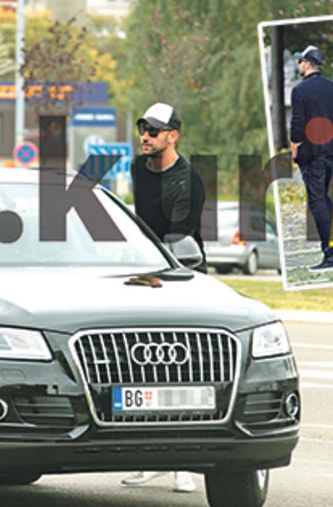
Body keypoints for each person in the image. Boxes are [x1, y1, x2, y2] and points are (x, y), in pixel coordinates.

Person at [121, 101, 204, 495]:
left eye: (154, 130)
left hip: (181, 280)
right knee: (141, 375)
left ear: (173, 135)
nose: (145, 136)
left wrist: (154, 277)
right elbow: (140, 226)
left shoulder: (187, 180)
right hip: (148, 277)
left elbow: (177, 242)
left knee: (179, 375)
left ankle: (182, 465)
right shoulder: (138, 168)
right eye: (143, 128)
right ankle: (146, 459)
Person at [290, 45, 333, 272]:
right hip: (330, 151)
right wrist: (331, 141)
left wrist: (296, 147)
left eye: (299, 61)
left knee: (317, 201)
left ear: (306, 63)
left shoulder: (300, 91)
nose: (298, 65)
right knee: (324, 198)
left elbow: (297, 123)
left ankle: (330, 254)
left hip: (311, 153)